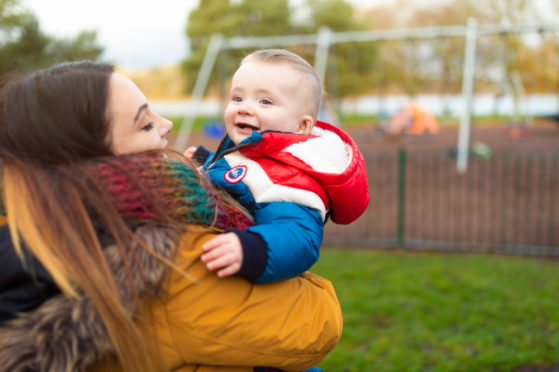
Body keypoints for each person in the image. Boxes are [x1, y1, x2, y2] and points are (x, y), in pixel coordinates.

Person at [0, 61, 342, 372]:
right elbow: (316, 324)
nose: (167, 124)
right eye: (146, 123)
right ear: (92, 155)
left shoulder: (24, 230)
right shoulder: (169, 261)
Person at [186, 49, 369, 283]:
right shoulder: (254, 147)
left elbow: (298, 236)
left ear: (301, 126)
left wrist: (253, 249)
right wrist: (207, 159)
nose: (244, 107)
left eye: (265, 101)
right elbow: (247, 170)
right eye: (237, 98)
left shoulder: (290, 179)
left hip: (237, 279)